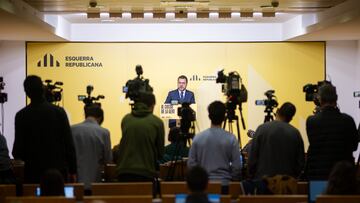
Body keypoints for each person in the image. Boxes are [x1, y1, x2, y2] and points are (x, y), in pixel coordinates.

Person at [12, 75, 77, 183]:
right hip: (58, 172)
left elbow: (17, 151)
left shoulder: (21, 116)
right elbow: (69, 144)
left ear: (27, 93)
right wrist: (73, 170)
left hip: (33, 173)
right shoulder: (59, 112)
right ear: (43, 90)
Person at [306, 84, 358, 180]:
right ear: (336, 98)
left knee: (317, 195)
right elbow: (354, 146)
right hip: (343, 176)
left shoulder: (311, 121)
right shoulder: (348, 120)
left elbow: (313, 144)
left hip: (318, 175)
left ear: (319, 99)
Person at [188, 101, 241, 193]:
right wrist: (233, 179)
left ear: (209, 116)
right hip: (225, 185)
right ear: (224, 117)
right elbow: (237, 167)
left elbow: (191, 165)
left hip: (203, 186)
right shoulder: (231, 139)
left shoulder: (198, 138)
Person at [248, 102, 305, 179]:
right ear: (291, 118)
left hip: (263, 181)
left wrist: (251, 176)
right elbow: (300, 163)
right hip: (286, 184)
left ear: (277, 111)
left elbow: (252, 158)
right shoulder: (295, 133)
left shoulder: (261, 128)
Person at [116, 92, 165, 182]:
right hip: (146, 171)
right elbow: (160, 152)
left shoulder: (126, 119)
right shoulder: (157, 122)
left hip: (123, 170)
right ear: (152, 105)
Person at [71, 104, 112, 191]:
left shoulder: (72, 129)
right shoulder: (104, 132)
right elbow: (108, 160)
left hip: (75, 182)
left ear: (86, 115)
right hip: (95, 181)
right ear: (100, 118)